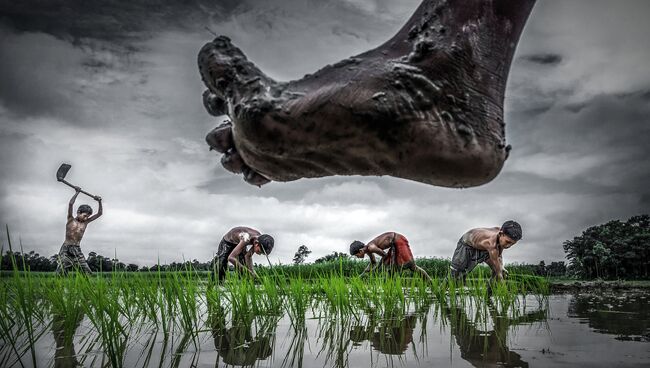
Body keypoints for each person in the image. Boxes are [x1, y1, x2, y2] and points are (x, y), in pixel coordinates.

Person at [450, 220, 522, 281]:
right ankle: (440, 293)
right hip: (466, 245)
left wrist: (501, 267)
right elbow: (499, 272)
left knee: (496, 270)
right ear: (501, 234)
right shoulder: (491, 243)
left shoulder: (502, 236)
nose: (508, 246)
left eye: (513, 244)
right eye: (508, 242)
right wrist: (502, 282)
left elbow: (499, 254)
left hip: (484, 248)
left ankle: (488, 295)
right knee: (455, 275)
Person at [349, 232, 431, 281]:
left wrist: (376, 268)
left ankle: (430, 282)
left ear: (360, 251)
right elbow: (373, 262)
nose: (358, 257)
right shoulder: (368, 250)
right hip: (393, 245)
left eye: (357, 255)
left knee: (411, 266)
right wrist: (362, 274)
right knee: (390, 270)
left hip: (398, 240)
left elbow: (384, 256)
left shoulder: (371, 247)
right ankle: (390, 290)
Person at [56, 187, 102, 274]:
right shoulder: (71, 219)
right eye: (85, 215)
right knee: (61, 271)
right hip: (66, 248)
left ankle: (86, 285)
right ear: (78, 212)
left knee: (87, 272)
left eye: (88, 216)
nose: (86, 218)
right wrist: (77, 192)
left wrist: (99, 201)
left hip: (77, 249)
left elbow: (99, 214)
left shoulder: (85, 223)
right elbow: (70, 204)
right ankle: (58, 285)